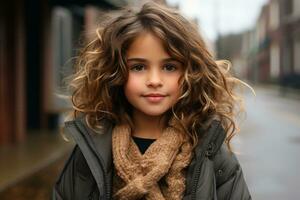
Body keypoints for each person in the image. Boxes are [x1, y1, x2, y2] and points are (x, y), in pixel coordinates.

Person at [53, 2, 252, 200]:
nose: (155, 81)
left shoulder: (211, 152)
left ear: (191, 73)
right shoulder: (92, 151)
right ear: (115, 73)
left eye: (169, 67)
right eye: (138, 67)